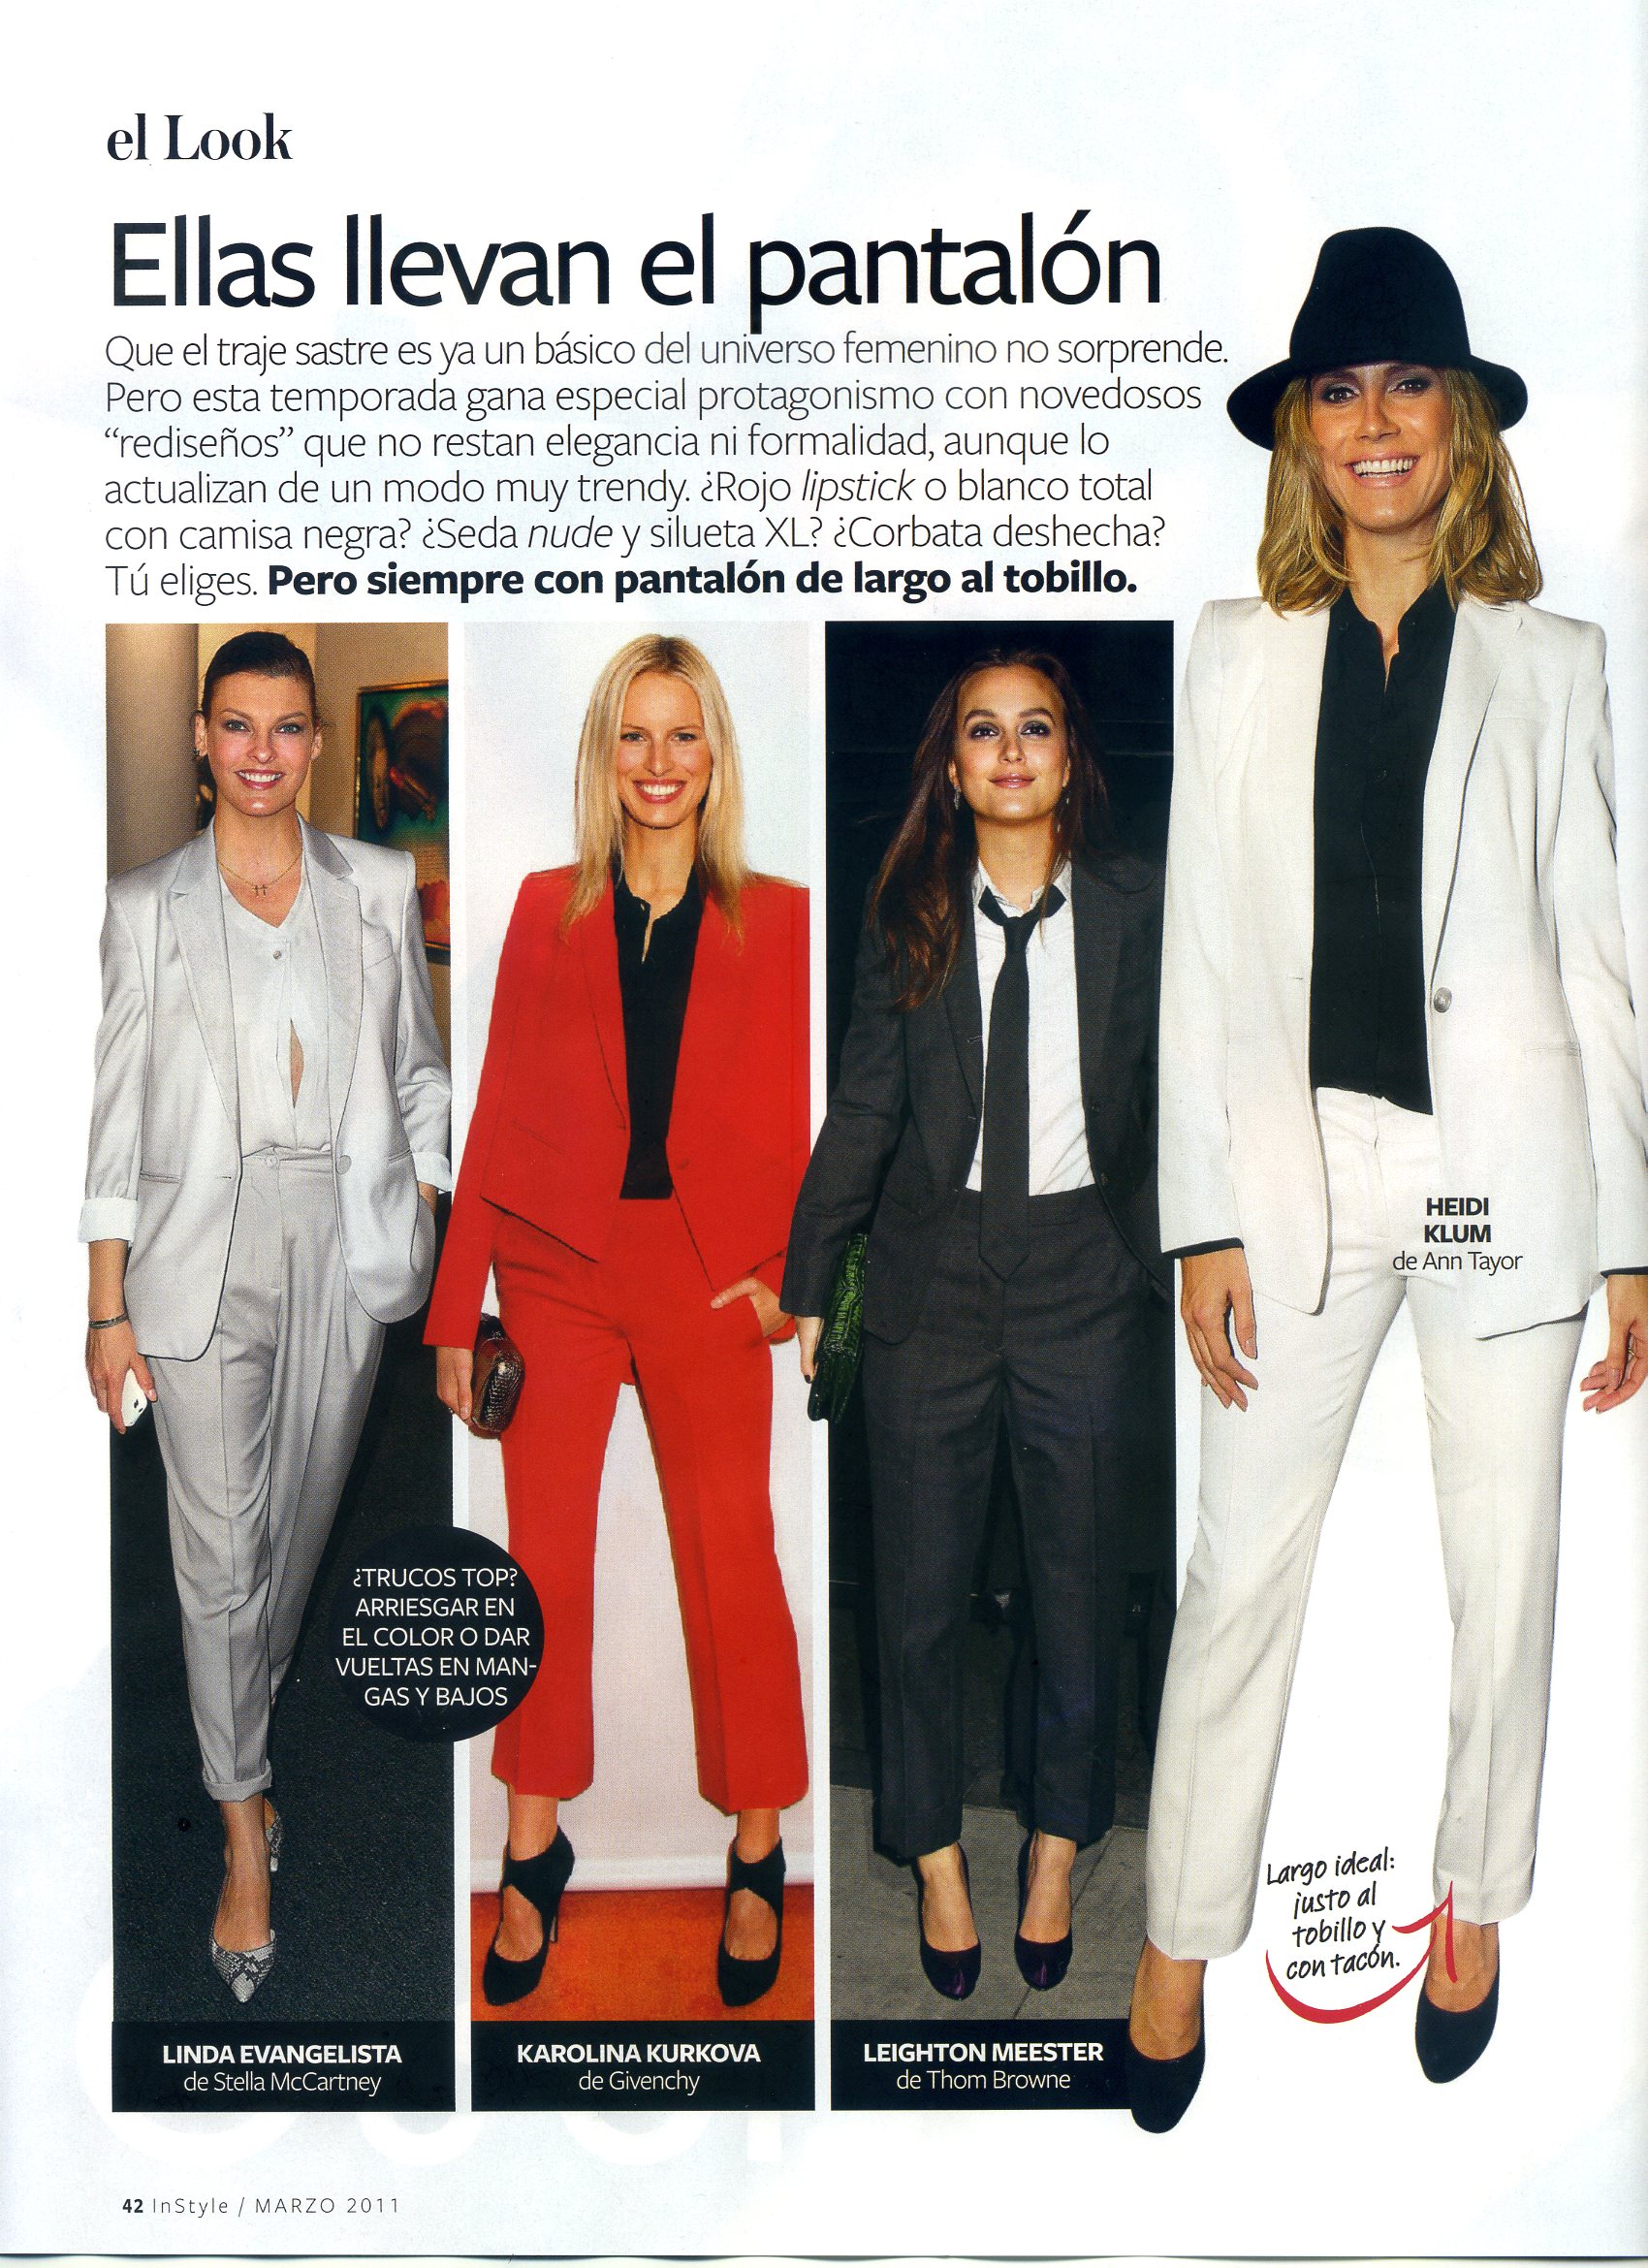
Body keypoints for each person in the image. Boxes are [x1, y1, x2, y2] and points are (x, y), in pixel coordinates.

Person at [1125, 228, 1648, 2128]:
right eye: (1336, 390)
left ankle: (1473, 1903)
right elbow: (1199, 949)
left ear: (1461, 422)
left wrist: (1631, 1232)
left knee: (1504, 1568)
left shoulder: (1556, 665)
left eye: (1406, 383)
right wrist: (1199, 1215)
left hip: (1508, 1173)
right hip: (1300, 1171)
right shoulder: (1230, 654)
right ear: (1300, 434)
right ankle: (1179, 1937)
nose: (1372, 421)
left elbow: (1591, 955)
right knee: (1236, 1572)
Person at [428, 634, 809, 2009]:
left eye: (683, 735)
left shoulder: (783, 919)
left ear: (715, 757)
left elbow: (818, 1122)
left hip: (707, 1277)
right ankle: (533, 1845)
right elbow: (495, 1113)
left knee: (732, 1557)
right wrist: (457, 1308)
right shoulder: (547, 909)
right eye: (634, 736)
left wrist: (791, 1278)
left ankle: (756, 1850)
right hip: (555, 1274)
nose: (658, 763)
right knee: (543, 1565)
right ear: (605, 755)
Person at [783, 650, 1173, 1999]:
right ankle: (936, 1858)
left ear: (1071, 759)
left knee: (1079, 1592)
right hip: (930, 1284)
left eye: (1036, 729)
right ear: (951, 769)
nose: (1011, 752)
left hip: (1086, 1277)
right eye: (984, 732)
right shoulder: (910, 913)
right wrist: (808, 1275)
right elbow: (864, 1108)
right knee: (916, 1602)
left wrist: (1199, 1254)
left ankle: (1058, 1846)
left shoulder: (1139, 904)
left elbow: (1185, 1094)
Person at [82, 629, 451, 2002]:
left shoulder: (377, 885)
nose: (261, 753)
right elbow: (115, 1121)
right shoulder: (145, 908)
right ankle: (244, 1822)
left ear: (316, 742)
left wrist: (422, 1189)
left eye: (287, 727)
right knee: (218, 1557)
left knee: (290, 1541)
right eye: (236, 725)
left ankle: (241, 1715)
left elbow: (420, 1068)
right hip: (198, 1257)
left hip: (345, 1246)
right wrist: (105, 1305)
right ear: (199, 736)